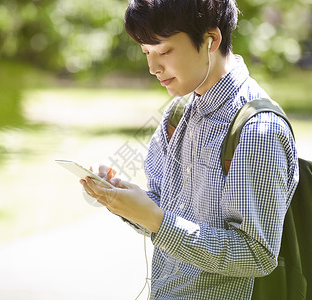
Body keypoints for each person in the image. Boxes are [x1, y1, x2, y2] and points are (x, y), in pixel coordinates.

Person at [80, 0, 299, 299]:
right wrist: (119, 195)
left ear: (212, 39)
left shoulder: (258, 130)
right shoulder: (179, 112)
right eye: (146, 52)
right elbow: (163, 206)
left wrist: (157, 220)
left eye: (164, 51)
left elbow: (256, 254)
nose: (153, 67)